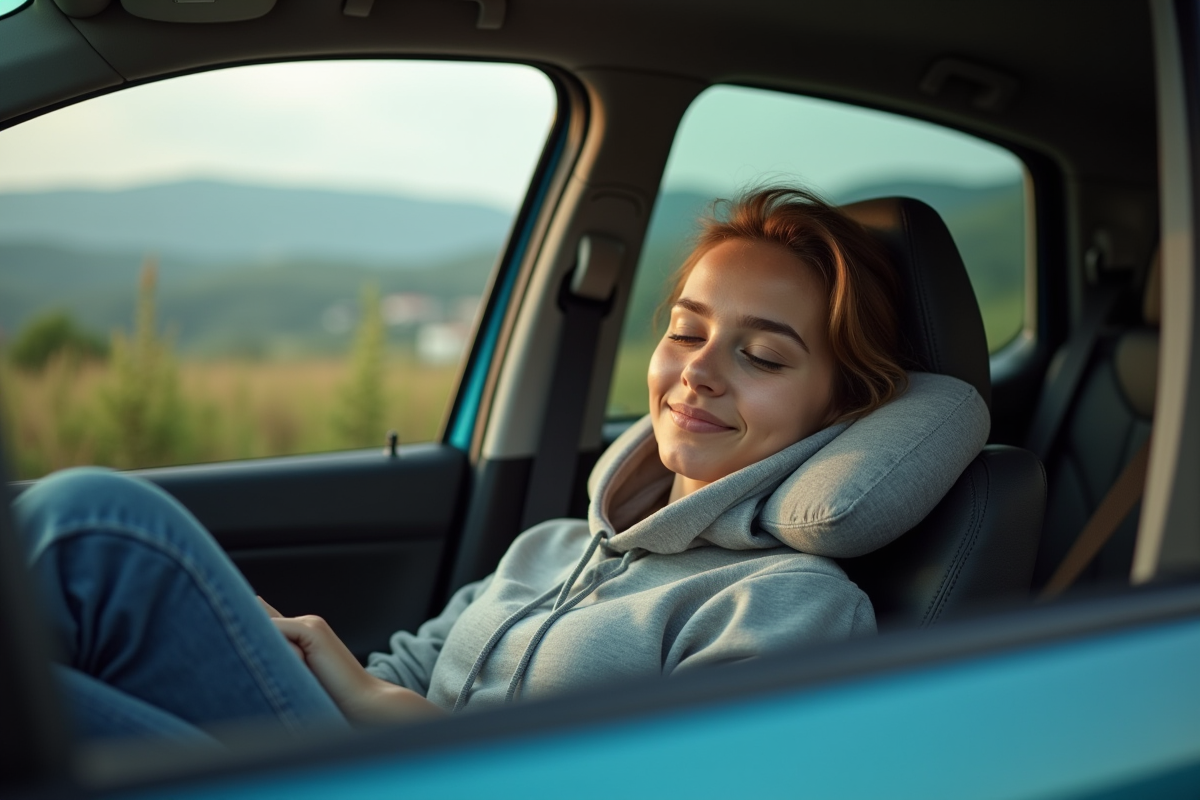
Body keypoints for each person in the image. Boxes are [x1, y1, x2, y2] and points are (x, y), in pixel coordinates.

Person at [15, 187, 984, 744]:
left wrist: (389, 713)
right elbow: (406, 668)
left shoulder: (786, 601)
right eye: (687, 331)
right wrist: (313, 660)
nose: (698, 370)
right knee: (77, 585)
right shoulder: (552, 546)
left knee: (103, 533)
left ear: (843, 407)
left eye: (762, 355)